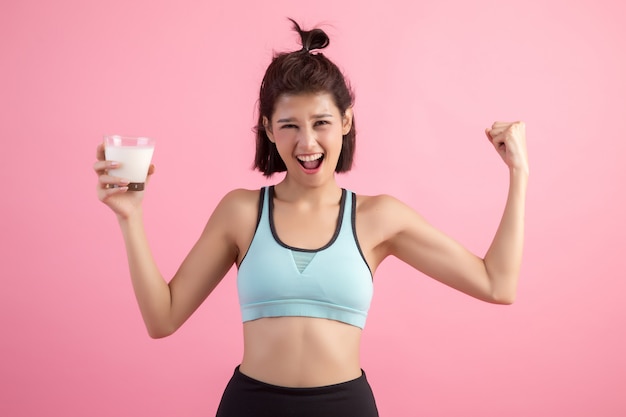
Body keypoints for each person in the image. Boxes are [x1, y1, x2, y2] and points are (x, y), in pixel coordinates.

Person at [94, 19, 528, 417]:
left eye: (321, 122)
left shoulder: (379, 218)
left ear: (345, 121)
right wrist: (130, 217)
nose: (307, 142)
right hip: (251, 406)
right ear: (267, 128)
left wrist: (518, 173)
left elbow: (497, 284)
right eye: (289, 125)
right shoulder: (241, 212)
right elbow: (162, 319)